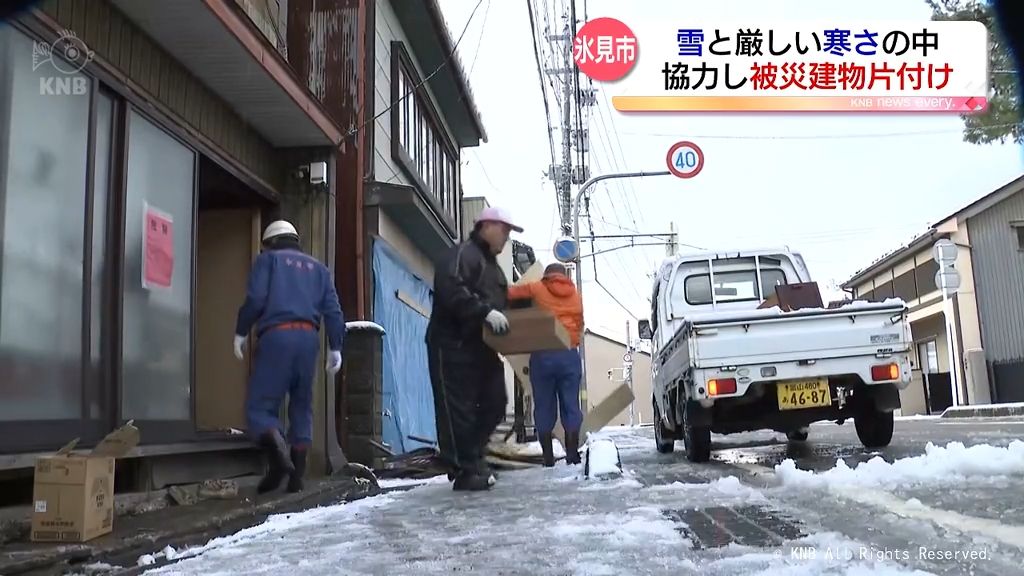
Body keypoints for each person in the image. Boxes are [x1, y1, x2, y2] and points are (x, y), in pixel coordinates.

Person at [233, 220, 345, 494]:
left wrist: (241, 330)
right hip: (309, 340)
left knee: (260, 406)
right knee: (302, 405)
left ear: (269, 242)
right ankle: (297, 476)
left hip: (277, 336)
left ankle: (280, 460)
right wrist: (335, 346)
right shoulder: (319, 269)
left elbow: (257, 298)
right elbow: (333, 310)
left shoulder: (268, 260)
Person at [427, 206, 522, 491]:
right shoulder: (463, 254)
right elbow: (450, 288)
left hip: (482, 346)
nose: (506, 237)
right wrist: (483, 312)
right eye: (504, 230)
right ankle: (464, 468)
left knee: (495, 403)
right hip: (452, 343)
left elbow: (504, 302)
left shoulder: (494, 268)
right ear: (487, 226)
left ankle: (474, 457)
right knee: (459, 409)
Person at [507, 262, 585, 467]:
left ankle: (548, 458)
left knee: (543, 406)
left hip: (543, 354)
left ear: (547, 276)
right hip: (568, 354)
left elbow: (510, 294)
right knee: (571, 405)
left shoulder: (537, 288)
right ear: (564, 275)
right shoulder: (576, 295)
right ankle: (572, 454)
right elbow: (579, 325)